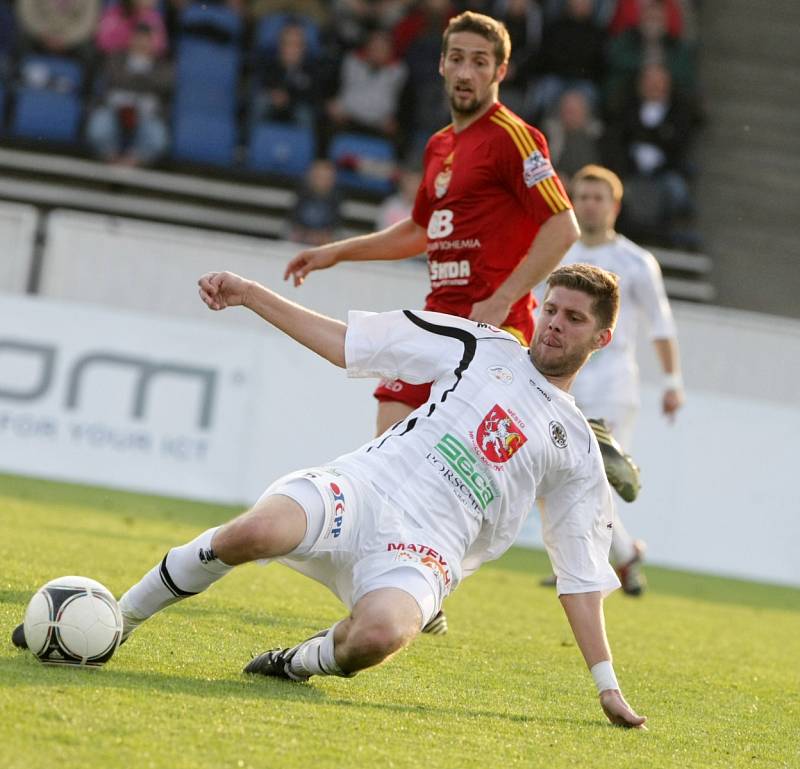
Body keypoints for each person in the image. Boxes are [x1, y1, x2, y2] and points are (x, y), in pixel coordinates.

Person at [12, 262, 647, 729]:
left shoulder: (578, 451)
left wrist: (606, 685)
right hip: (365, 489)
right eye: (553, 310)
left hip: (425, 551)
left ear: (601, 338)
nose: (556, 325)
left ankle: (296, 662)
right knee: (254, 534)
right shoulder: (480, 346)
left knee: (377, 639)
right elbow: (351, 344)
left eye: (574, 318)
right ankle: (117, 622)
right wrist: (252, 294)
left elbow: (581, 577)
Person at [285, 11, 639, 631]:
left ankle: (419, 583)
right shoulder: (440, 146)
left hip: (493, 331)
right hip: (441, 318)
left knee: (454, 461)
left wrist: (505, 297)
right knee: (392, 435)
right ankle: (416, 590)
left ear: (501, 71)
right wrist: (339, 249)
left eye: (482, 61)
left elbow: (564, 227)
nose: (467, 70)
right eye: (458, 58)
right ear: (442, 64)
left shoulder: (515, 137)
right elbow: (421, 230)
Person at [552, 164, 684, 594]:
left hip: (612, 381)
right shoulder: (559, 251)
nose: (589, 205)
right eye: (583, 196)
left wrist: (672, 381)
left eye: (598, 198)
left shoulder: (635, 262)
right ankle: (623, 555)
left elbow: (661, 325)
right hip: (563, 380)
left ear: (615, 206)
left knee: (595, 471)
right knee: (561, 474)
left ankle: (594, 568)